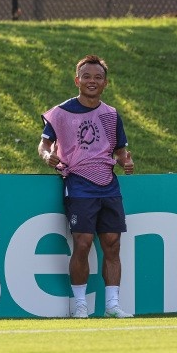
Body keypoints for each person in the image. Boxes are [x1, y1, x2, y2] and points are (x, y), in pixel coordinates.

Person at [38, 54, 135, 318]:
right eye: (87, 76)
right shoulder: (61, 113)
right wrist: (48, 156)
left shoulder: (111, 115)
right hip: (79, 183)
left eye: (98, 77)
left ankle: (112, 305)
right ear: (77, 80)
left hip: (108, 183)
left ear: (105, 83)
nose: (92, 81)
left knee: (112, 244)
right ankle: (80, 305)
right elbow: (44, 144)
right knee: (83, 243)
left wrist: (125, 161)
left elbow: (119, 151)